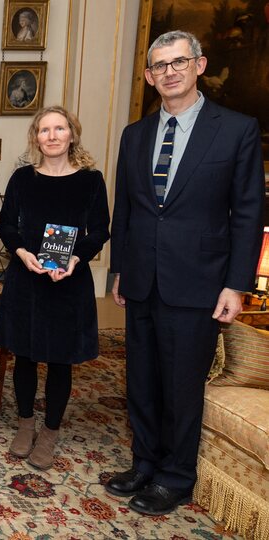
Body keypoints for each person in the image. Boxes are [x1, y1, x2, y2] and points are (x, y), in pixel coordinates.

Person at [106, 30, 264, 516]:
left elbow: (248, 212)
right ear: (150, 77)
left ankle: (176, 477)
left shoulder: (236, 129)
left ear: (200, 65)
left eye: (179, 62)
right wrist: (118, 269)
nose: (169, 72)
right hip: (141, 279)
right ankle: (145, 463)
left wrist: (237, 283)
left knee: (181, 383)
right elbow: (128, 211)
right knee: (143, 380)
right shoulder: (135, 135)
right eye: (159, 66)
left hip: (199, 282)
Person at [0, 106, 110, 470]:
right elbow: (6, 223)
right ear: (36, 137)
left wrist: (76, 259)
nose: (53, 135)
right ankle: (26, 424)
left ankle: (51, 431)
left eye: (60, 128)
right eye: (45, 130)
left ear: (72, 134)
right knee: (24, 354)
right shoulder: (22, 178)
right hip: (27, 277)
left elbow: (100, 230)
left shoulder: (90, 180)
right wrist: (22, 252)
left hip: (67, 282)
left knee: (60, 359)